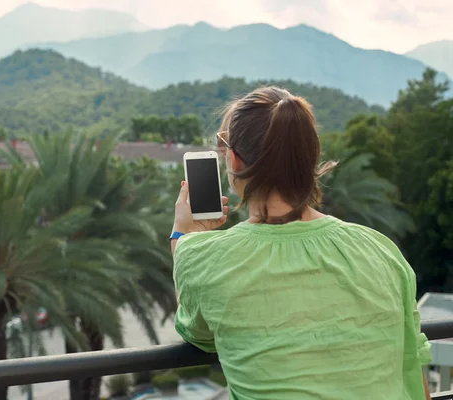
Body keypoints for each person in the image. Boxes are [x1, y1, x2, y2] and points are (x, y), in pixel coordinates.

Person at [170, 86, 432, 400]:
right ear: (309, 158)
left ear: (235, 162)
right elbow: (412, 370)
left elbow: (197, 332)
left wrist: (183, 238)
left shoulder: (205, 259)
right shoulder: (380, 250)